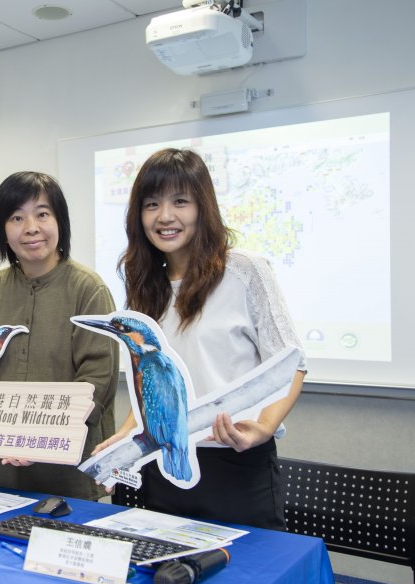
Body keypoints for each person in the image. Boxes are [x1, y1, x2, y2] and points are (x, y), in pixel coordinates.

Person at [95, 148, 306, 529]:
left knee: (245, 580)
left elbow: (292, 365)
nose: (165, 216)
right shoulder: (145, 287)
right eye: (151, 204)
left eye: (180, 202)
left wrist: (263, 429)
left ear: (202, 207)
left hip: (235, 459)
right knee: (165, 575)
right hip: (166, 462)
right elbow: (152, 382)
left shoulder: (245, 271)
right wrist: (126, 436)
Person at [0, 171, 119, 500]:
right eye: (16, 217)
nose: (31, 228)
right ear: (3, 230)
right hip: (1, 468)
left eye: (42, 214)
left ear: (60, 221)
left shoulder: (89, 288)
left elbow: (97, 378)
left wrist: (40, 434)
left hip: (69, 466)